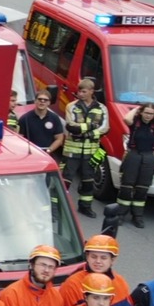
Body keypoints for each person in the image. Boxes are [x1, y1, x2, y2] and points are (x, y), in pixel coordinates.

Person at [117, 103, 154, 228]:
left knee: (143, 188)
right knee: (127, 186)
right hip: (134, 155)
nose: (148, 116)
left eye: (150, 113)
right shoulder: (135, 123)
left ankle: (137, 215)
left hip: (148, 157)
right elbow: (126, 119)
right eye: (146, 113)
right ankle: (120, 214)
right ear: (141, 113)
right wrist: (137, 108)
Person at [62, 78, 109, 217]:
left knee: (88, 180)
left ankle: (85, 206)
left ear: (91, 91)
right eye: (79, 91)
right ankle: (58, 206)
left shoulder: (101, 108)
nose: (80, 94)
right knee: (66, 179)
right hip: (72, 150)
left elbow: (105, 128)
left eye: (83, 91)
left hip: (91, 151)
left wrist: (86, 133)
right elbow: (71, 127)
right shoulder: (71, 106)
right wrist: (91, 127)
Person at [16, 89, 65, 155]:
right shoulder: (25, 118)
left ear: (49, 102)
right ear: (35, 101)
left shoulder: (54, 118)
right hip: (29, 154)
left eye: (45, 100)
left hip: (47, 154)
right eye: (40, 99)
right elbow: (19, 139)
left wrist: (49, 150)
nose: (42, 101)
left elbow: (59, 139)